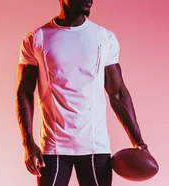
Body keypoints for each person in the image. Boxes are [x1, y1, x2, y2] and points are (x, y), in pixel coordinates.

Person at [15, 0, 148, 185]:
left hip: (95, 147)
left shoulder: (104, 38)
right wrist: (28, 143)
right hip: (54, 148)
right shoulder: (37, 38)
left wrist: (139, 142)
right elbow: (24, 93)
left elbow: (117, 93)